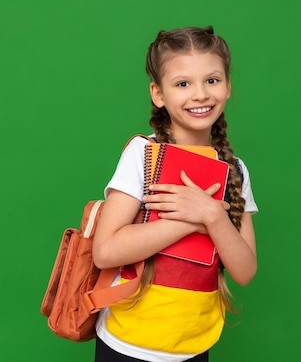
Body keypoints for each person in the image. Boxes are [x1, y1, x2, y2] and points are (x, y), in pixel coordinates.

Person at [92, 26, 259, 362]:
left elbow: (244, 271)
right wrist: (192, 220)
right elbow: (106, 252)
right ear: (158, 93)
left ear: (228, 86)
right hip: (127, 344)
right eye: (183, 84)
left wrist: (212, 214)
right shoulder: (143, 154)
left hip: (193, 346)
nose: (200, 94)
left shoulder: (234, 169)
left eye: (212, 80)